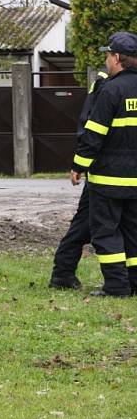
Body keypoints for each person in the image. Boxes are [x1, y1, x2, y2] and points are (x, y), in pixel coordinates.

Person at [70, 32, 137, 297]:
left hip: (108, 181)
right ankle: (133, 283)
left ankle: (117, 287)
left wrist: (78, 166)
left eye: (108, 55)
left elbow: (93, 135)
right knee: (133, 233)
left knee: (105, 233)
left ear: (117, 57)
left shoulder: (111, 90)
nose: (107, 61)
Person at [48, 69, 109, 290]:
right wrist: (82, 164)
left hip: (114, 171)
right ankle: (62, 274)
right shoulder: (106, 84)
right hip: (106, 173)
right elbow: (91, 129)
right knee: (86, 224)